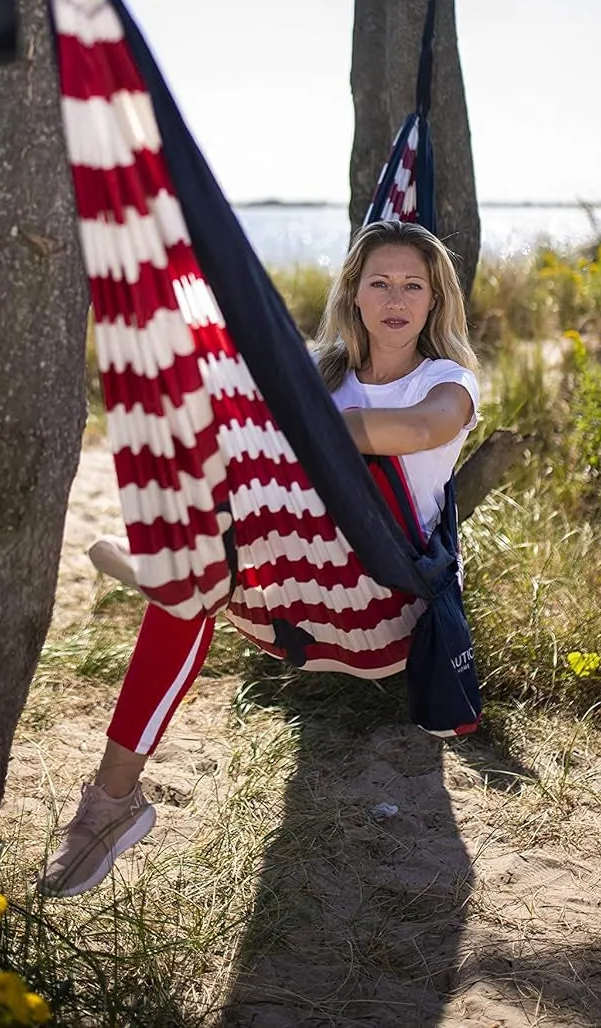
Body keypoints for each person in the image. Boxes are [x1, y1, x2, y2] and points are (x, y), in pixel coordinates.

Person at [39, 220, 479, 898]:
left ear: (434, 301)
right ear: (355, 295)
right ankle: (110, 801)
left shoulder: (448, 383)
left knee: (235, 496)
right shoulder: (320, 375)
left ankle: (173, 562)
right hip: (294, 593)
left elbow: (420, 430)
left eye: (413, 285)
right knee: (192, 591)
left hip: (383, 605)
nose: (397, 296)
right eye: (380, 282)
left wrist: (283, 426)